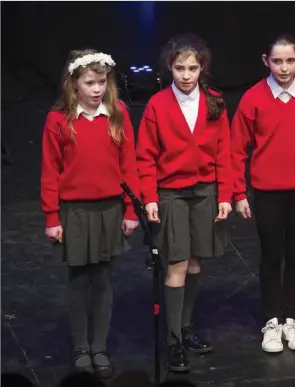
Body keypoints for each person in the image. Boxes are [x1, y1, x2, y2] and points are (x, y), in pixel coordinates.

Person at [230, 33, 295, 353]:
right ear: (266, 61)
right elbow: (237, 149)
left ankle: (292, 318)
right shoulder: (253, 98)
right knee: (271, 255)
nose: (284, 67)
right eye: (277, 61)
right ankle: (272, 321)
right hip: (267, 193)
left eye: (290, 60)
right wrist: (238, 192)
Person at [136, 33, 232, 372]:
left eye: (192, 68)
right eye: (180, 68)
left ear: (202, 67)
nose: (187, 75)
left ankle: (186, 327)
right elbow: (145, 157)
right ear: (170, 68)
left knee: (194, 263)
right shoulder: (158, 105)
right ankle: (173, 338)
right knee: (176, 263)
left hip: (205, 192)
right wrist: (149, 197)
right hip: (171, 193)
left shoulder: (215, 102)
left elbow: (225, 153)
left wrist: (227, 195)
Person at [40, 49, 140, 377]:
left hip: (110, 209)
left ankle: (99, 346)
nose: (96, 89)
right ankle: (81, 346)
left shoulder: (117, 113)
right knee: (79, 278)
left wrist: (131, 210)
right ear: (74, 84)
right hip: (75, 211)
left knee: (103, 279)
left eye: (101, 82)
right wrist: (52, 218)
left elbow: (129, 165)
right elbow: (50, 170)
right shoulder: (59, 120)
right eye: (89, 83)